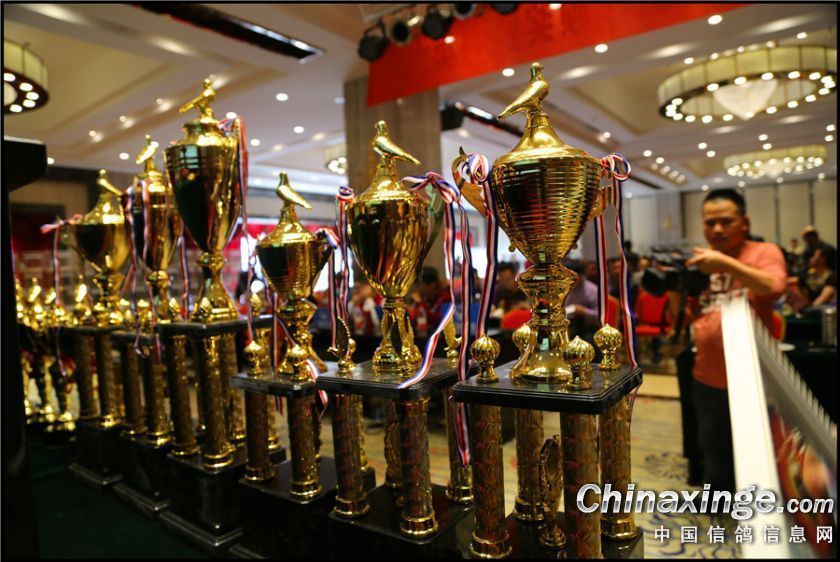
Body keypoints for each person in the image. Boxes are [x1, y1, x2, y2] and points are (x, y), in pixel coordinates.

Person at [685, 188, 787, 494]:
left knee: (757, 447)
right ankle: (718, 499)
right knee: (712, 444)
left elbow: (774, 287)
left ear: (745, 222)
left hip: (753, 376)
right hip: (707, 374)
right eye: (710, 222)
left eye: (726, 221)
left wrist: (725, 264)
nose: (717, 229)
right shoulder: (703, 261)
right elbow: (697, 311)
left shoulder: (763, 252)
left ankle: (758, 504)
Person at [565, 260, 599, 342]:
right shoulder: (564, 288)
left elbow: (600, 315)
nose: (570, 280)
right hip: (568, 325)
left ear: (580, 275)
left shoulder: (592, 290)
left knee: (588, 338)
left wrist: (584, 311)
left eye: (573, 277)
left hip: (588, 326)